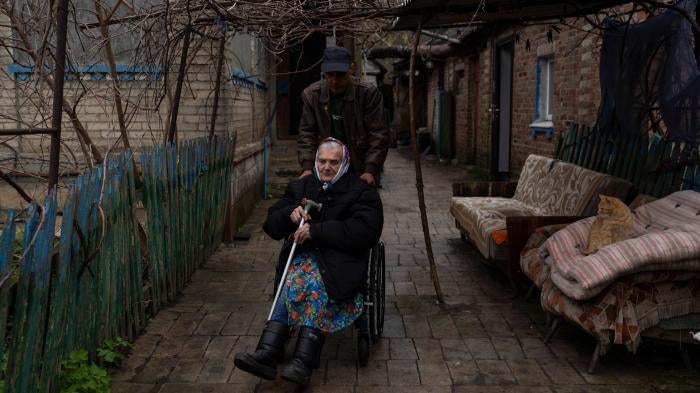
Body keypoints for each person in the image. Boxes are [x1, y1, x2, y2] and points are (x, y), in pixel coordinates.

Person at [234, 138, 383, 385]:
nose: (326, 167)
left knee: (315, 284)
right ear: (315, 162)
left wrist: (317, 231)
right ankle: (267, 352)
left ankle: (303, 361)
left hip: (340, 263)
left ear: (344, 163)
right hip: (303, 260)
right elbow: (271, 225)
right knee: (293, 277)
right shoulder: (302, 187)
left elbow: (365, 231)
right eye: (322, 161)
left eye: (333, 162)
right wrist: (290, 216)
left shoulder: (361, 192)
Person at [297, 46, 389, 187]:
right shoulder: (312, 95)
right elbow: (306, 134)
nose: (334, 80)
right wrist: (308, 167)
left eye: (340, 74)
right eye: (330, 74)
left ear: (350, 69)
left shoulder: (368, 94)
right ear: (324, 72)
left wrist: (370, 169)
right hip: (326, 170)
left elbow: (379, 135)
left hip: (360, 169)